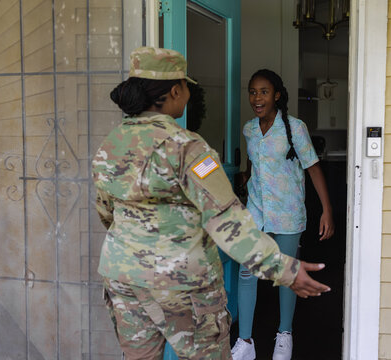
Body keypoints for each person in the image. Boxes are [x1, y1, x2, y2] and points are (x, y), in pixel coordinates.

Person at [92, 47, 331, 360]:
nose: (189, 93)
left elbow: (106, 212)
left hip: (122, 278)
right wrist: (285, 270)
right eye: (187, 86)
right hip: (181, 284)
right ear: (175, 90)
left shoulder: (112, 142)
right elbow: (227, 223)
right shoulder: (186, 148)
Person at [231, 69, 335, 360]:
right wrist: (247, 177)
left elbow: (313, 167)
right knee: (247, 271)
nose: (256, 98)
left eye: (263, 91)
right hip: (257, 211)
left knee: (287, 274)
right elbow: (255, 163)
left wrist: (327, 210)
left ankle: (284, 335)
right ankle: (246, 342)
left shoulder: (295, 127)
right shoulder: (249, 129)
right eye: (252, 92)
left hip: (288, 211)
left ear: (276, 95)